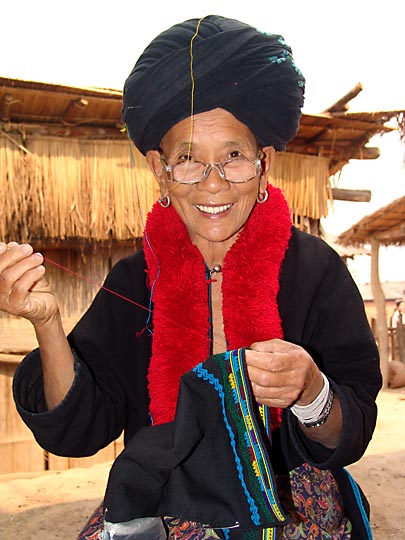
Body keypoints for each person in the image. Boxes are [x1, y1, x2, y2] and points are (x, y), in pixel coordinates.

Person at [0, 15, 381, 540]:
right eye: (187, 159)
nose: (213, 183)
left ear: (263, 164)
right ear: (159, 171)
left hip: (291, 491)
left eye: (233, 156)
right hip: (165, 491)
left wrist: (311, 392)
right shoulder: (134, 280)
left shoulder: (316, 270)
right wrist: (45, 322)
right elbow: (78, 429)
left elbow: (353, 424)